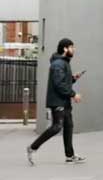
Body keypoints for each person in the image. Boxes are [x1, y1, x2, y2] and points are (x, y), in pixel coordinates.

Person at [26, 38, 86, 166]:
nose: (74, 49)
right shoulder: (58, 64)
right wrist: (73, 94)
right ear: (65, 48)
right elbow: (58, 84)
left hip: (64, 102)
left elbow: (63, 81)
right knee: (56, 127)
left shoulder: (64, 63)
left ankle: (70, 156)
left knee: (68, 126)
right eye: (72, 47)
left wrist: (73, 79)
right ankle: (32, 147)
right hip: (58, 102)